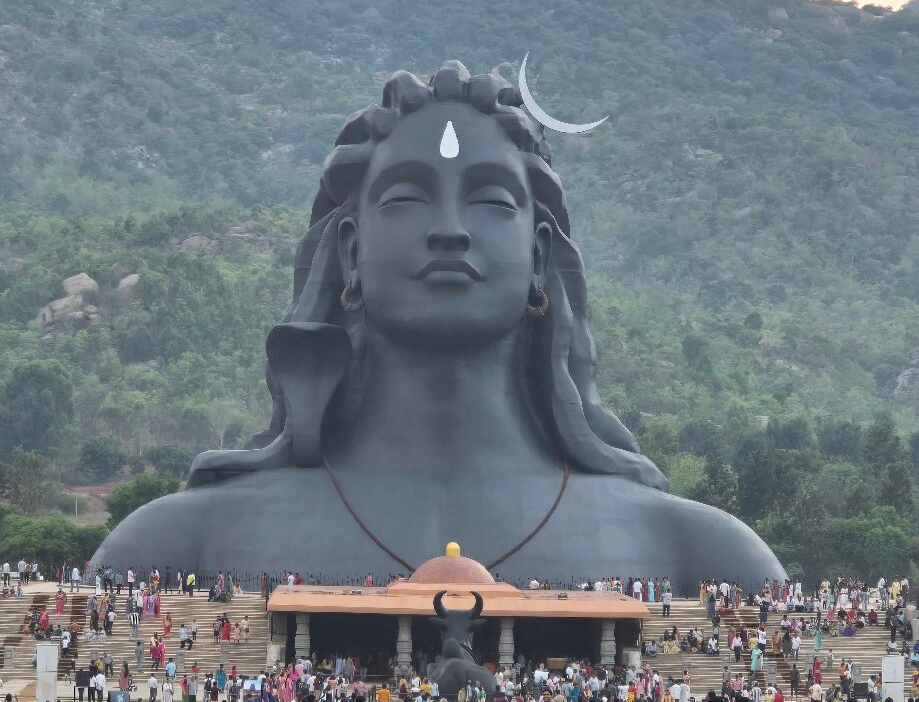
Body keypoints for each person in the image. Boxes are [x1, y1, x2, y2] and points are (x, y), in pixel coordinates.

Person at [89, 61, 785, 586]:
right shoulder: (182, 544)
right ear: (350, 252)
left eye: (488, 200)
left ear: (540, 256)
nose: (449, 231)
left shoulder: (701, 555)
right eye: (405, 198)